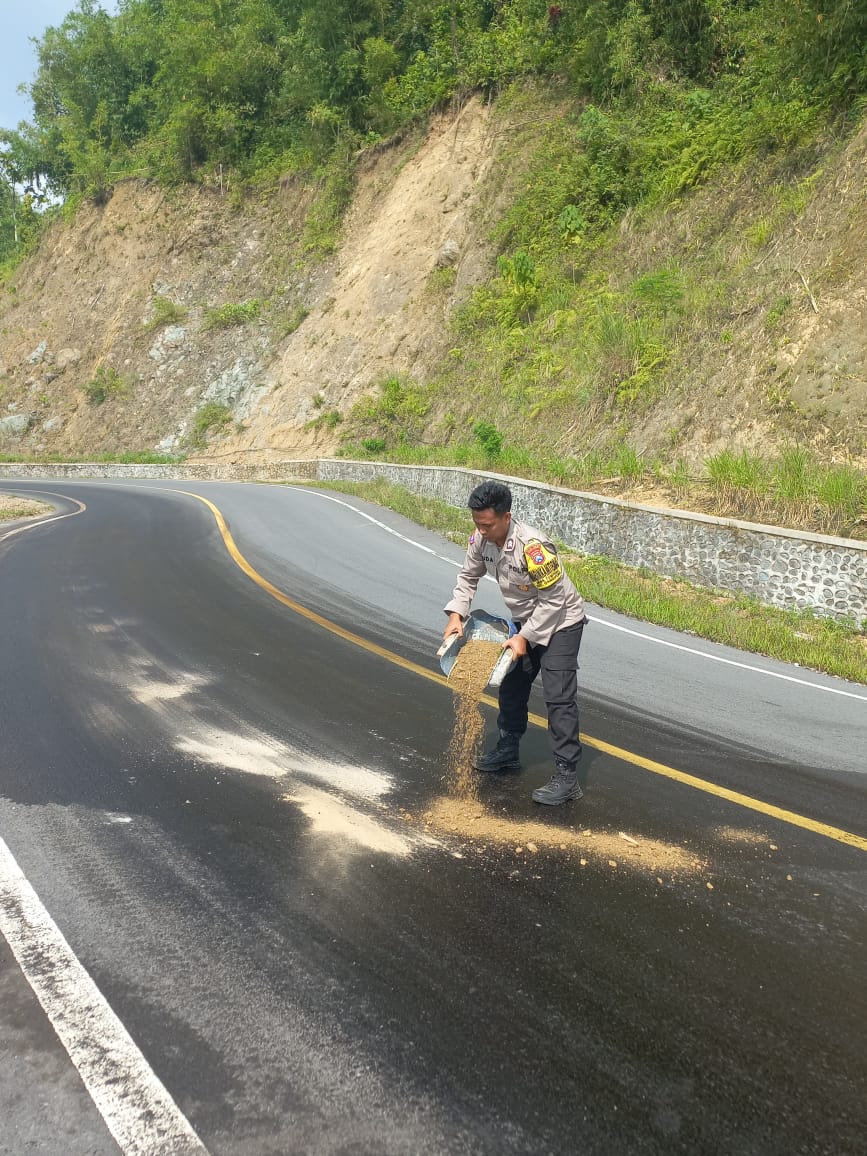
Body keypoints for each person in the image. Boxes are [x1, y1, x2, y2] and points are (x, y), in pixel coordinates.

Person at [442, 480, 588, 806]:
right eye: (477, 523)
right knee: (512, 685)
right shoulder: (481, 540)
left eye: (487, 524)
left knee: (558, 697)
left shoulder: (534, 547)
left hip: (562, 623)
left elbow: (554, 602)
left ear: (506, 517)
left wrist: (524, 636)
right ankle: (508, 750)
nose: (481, 530)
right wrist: (456, 615)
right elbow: (467, 578)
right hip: (525, 623)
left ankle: (567, 777)